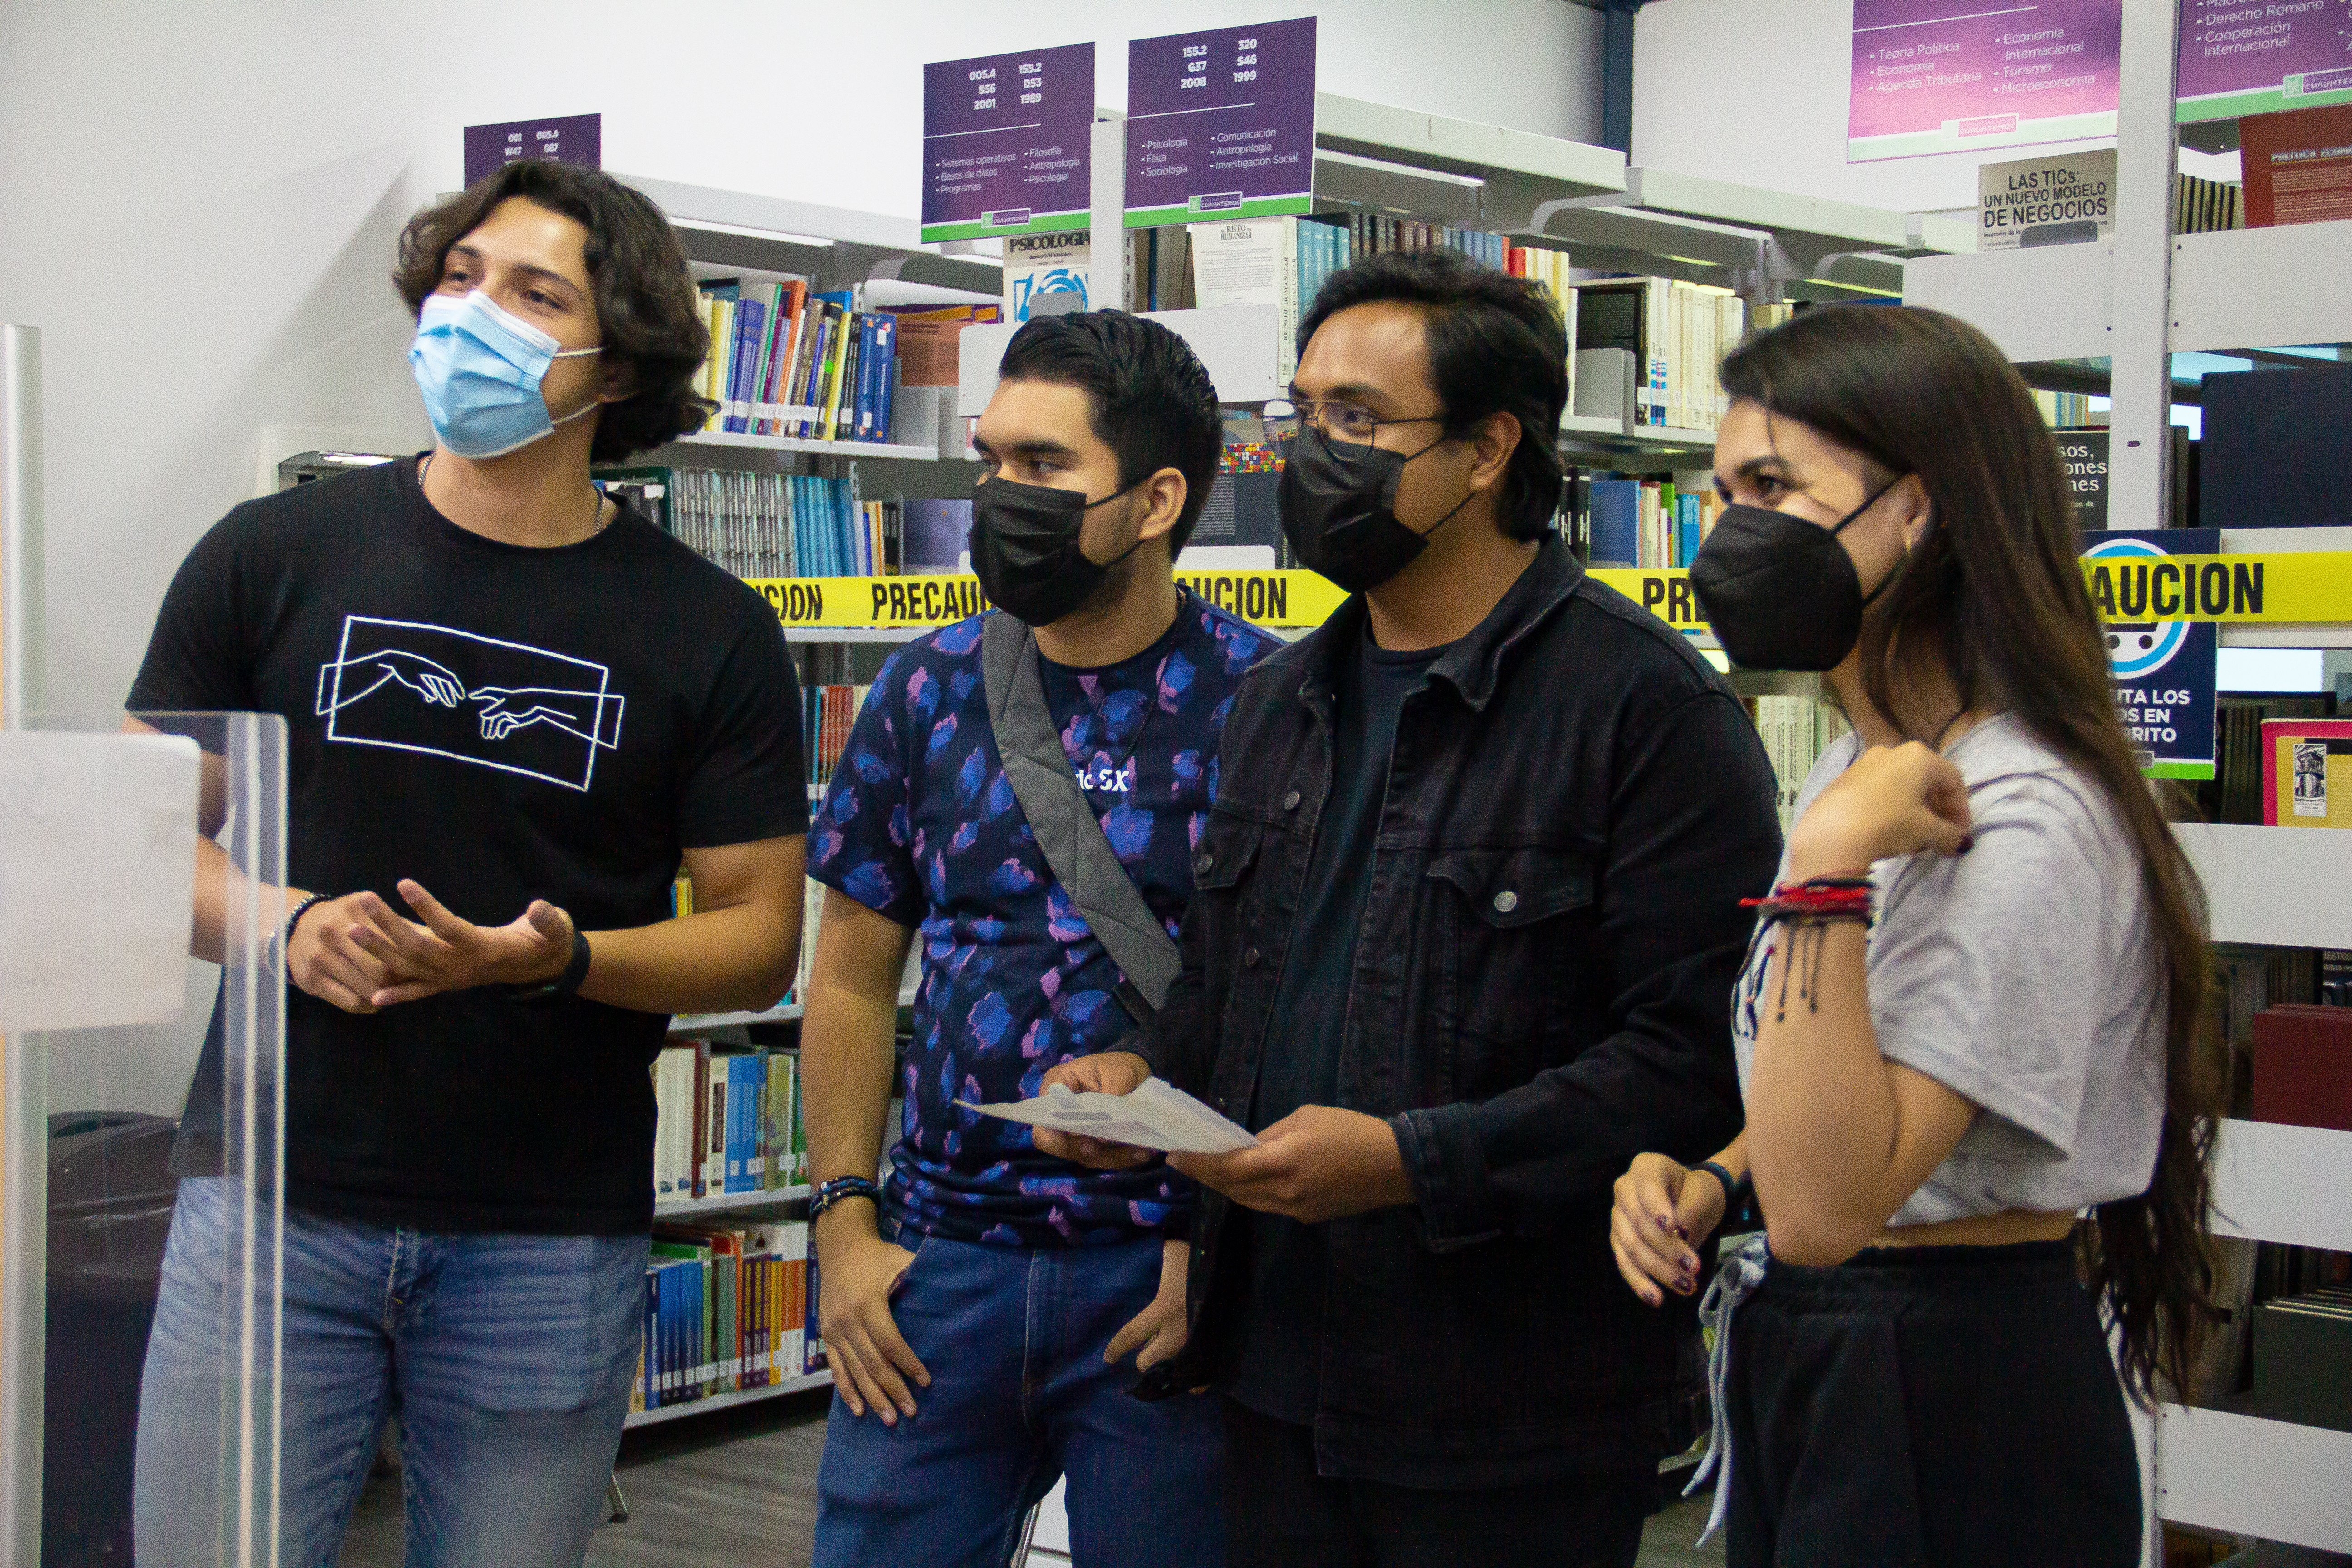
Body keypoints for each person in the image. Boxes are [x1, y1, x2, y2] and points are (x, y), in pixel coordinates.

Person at [1038, 249, 1785, 1567]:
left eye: (1359, 423)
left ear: (1490, 449)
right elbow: (1228, 986)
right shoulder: (1281, 702)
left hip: (1508, 1405)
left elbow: (1695, 1066)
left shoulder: (1648, 713)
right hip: (1271, 1372)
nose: (1311, 453)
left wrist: (1411, 1161)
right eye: (1304, 411)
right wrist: (1140, 1079)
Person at [128, 160, 809, 1568]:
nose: (472, 313)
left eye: (532, 293)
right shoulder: (271, 556)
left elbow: (756, 938)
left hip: (545, 1239)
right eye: (459, 277)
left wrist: (558, 961)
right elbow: (136, 839)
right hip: (269, 1207)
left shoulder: (711, 631)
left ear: (614, 360)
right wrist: (285, 924)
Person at [1608, 304, 2224, 1567]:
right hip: (1834, 1345)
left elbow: (1833, 1209)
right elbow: (1841, 1101)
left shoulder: (2020, 809)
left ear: (1919, 508)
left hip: (1947, 1375)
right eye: (1720, 493)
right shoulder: (1875, 767)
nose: (1733, 535)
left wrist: (1828, 866)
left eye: (1775, 487)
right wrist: (1719, 1175)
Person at [802, 309, 1272, 1568]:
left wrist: (1212, 1247)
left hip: (1165, 1281)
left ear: (1158, 497)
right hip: (934, 1271)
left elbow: (1291, 1002)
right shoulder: (925, 688)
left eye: (1045, 467)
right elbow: (849, 973)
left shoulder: (1274, 705)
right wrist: (843, 1228)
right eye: (993, 459)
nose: (1002, 494)